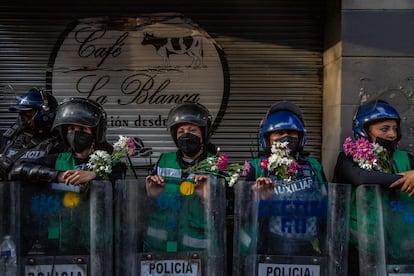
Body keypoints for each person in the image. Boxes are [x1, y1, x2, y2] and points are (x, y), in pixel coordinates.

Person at [10, 97, 126, 254]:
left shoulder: (110, 162)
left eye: (83, 129)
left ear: (95, 132)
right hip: (60, 241)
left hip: (97, 241)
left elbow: (119, 177)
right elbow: (17, 170)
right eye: (71, 129)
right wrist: (58, 175)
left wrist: (94, 175)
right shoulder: (57, 159)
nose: (76, 133)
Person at [333, 99, 414, 275]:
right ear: (364, 131)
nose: (392, 134)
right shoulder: (348, 158)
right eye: (384, 129)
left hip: (403, 253)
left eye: (394, 128)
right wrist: (404, 178)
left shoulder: (406, 159)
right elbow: (360, 177)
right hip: (359, 251)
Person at [243, 101, 327, 256]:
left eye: (291, 132)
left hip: (309, 247)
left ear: (301, 137)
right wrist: (257, 199)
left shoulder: (314, 166)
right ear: (267, 139)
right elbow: (242, 214)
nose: (286, 137)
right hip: (268, 246)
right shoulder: (257, 167)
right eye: (279, 133)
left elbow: (327, 205)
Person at [144, 102, 218, 252]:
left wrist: (206, 198)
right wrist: (150, 195)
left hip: (197, 250)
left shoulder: (216, 165)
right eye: (181, 131)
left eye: (192, 130)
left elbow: (226, 208)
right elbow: (146, 205)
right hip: (160, 247)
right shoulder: (164, 161)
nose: (186, 134)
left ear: (203, 134)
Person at [0, 87, 61, 181]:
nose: (22, 118)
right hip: (10, 192)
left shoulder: (58, 142)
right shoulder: (11, 136)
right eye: (21, 113)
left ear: (46, 115)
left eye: (28, 113)